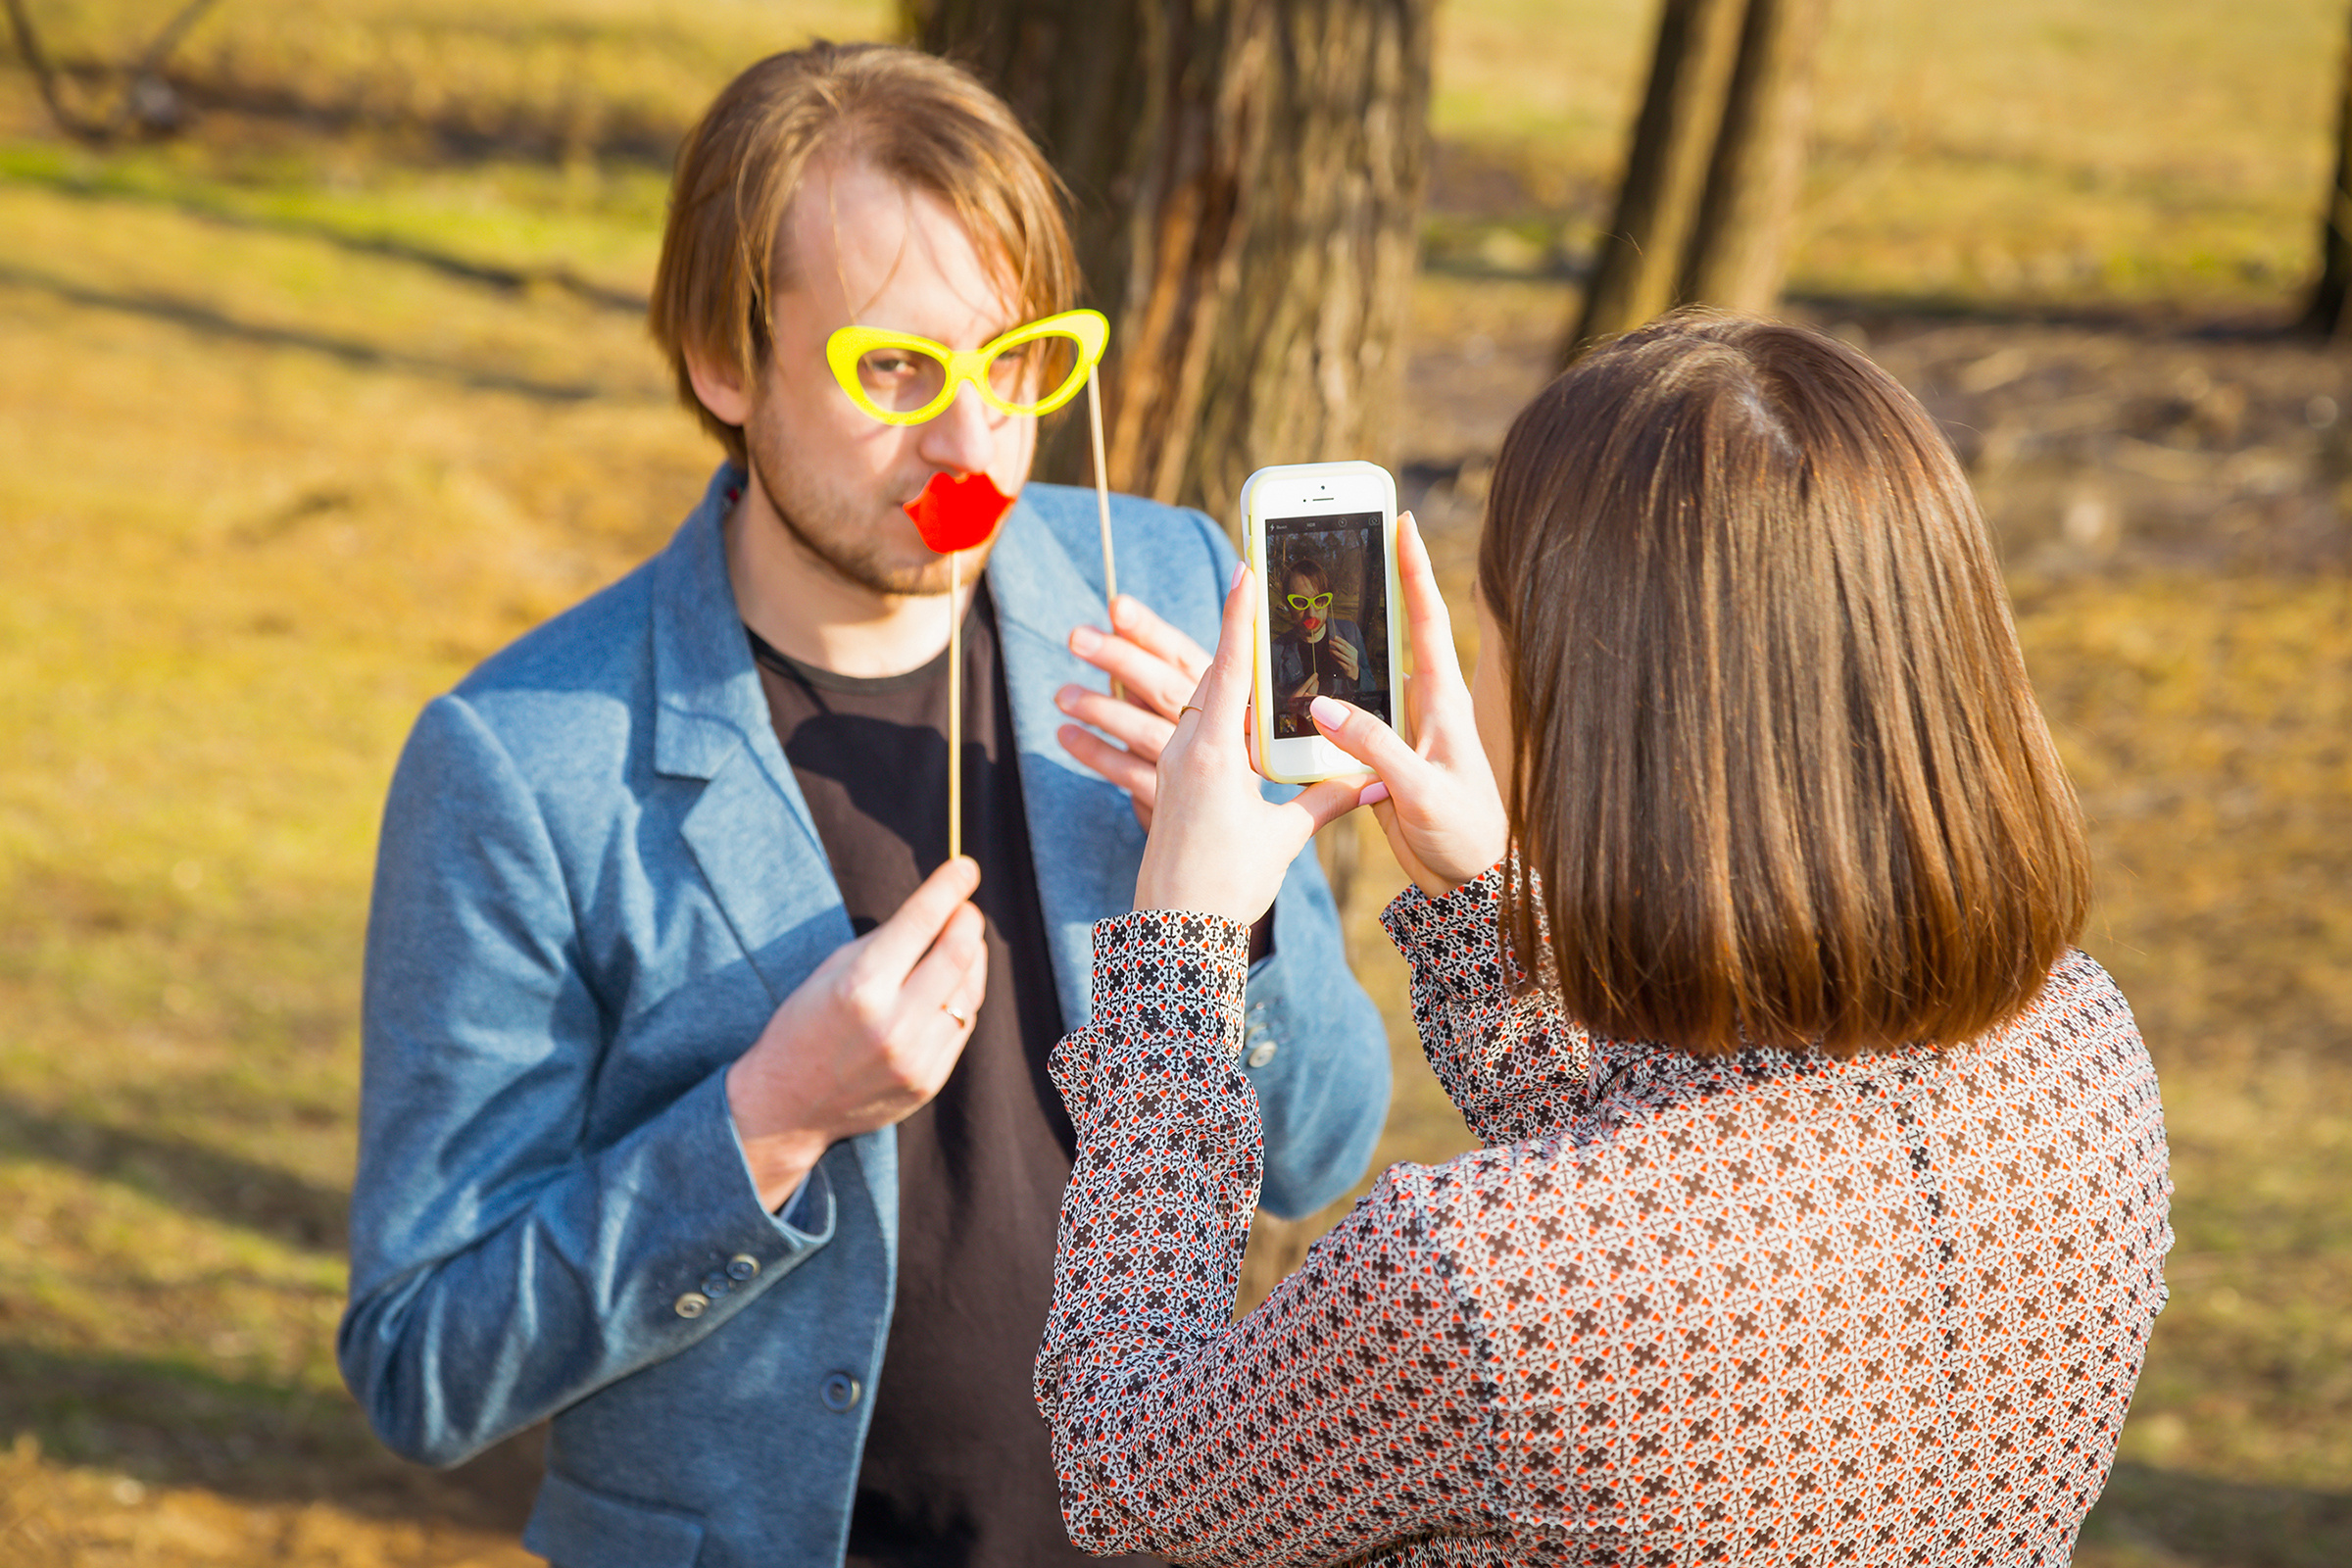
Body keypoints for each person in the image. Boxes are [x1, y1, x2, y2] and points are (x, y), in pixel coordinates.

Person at [337, 42, 1389, 1568]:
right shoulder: (521, 762)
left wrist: (1232, 912)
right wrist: (766, 1121)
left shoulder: (1171, 589)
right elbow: (423, 1368)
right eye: (895, 369)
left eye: (1016, 360)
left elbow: (1323, 1150)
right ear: (722, 357)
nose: (974, 448)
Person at [1034, 315, 2173, 1564]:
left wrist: (1178, 966)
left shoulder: (1467, 1278)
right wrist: (1487, 906)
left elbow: (1132, 1467)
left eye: (1495, 635)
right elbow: (1675, 1214)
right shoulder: (2083, 1049)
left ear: (1588, 706)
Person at [1268, 555, 1365, 735]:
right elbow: (1272, 725)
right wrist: (1291, 711)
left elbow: (1373, 696)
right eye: (1299, 602)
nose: (1311, 612)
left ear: (1329, 601)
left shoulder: (1350, 633)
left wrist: (1356, 676)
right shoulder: (1274, 653)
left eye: (1319, 600)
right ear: (1288, 605)